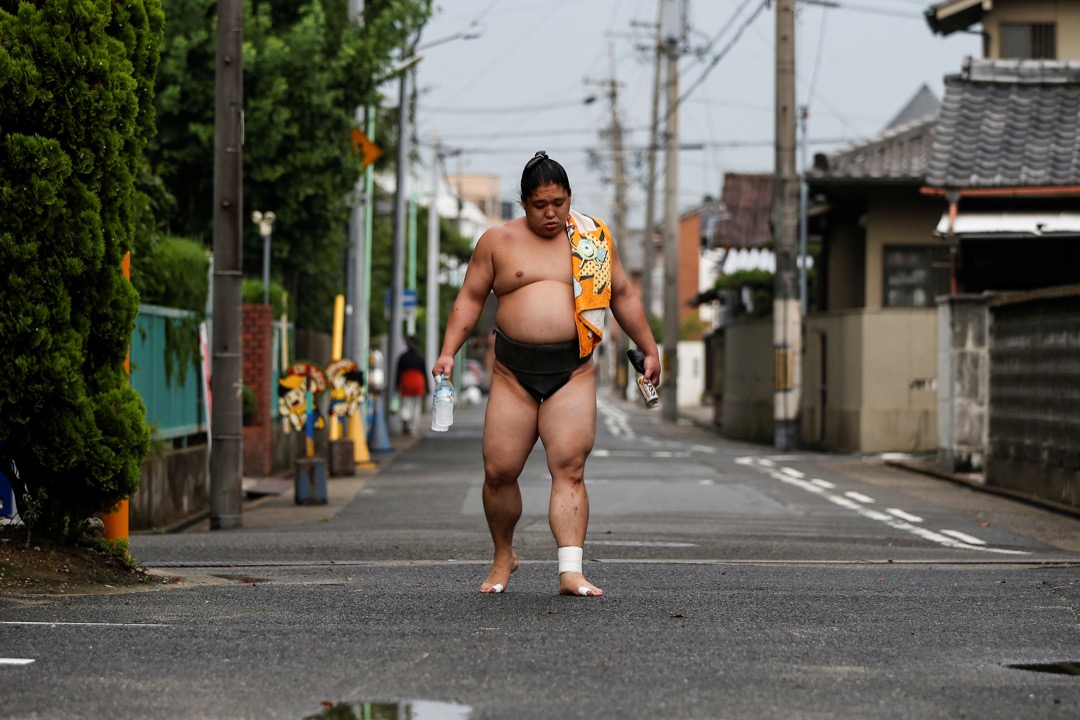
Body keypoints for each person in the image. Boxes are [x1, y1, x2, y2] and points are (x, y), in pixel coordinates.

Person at [432, 151, 660, 597]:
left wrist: (648, 347)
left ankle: (570, 570)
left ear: (569, 197)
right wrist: (447, 352)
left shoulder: (591, 240)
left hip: (571, 372)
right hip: (512, 373)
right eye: (540, 205)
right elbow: (470, 299)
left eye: (558, 202)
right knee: (499, 471)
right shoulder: (497, 241)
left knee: (569, 469)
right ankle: (504, 556)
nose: (551, 213)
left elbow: (624, 296)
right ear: (523, 202)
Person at [396, 336, 428, 436]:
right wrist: (428, 387)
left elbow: (398, 373)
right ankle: (413, 427)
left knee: (406, 404)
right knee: (416, 406)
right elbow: (425, 373)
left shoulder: (402, 357)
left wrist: (396, 385)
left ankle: (406, 417)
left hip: (406, 381)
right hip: (418, 382)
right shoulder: (420, 357)